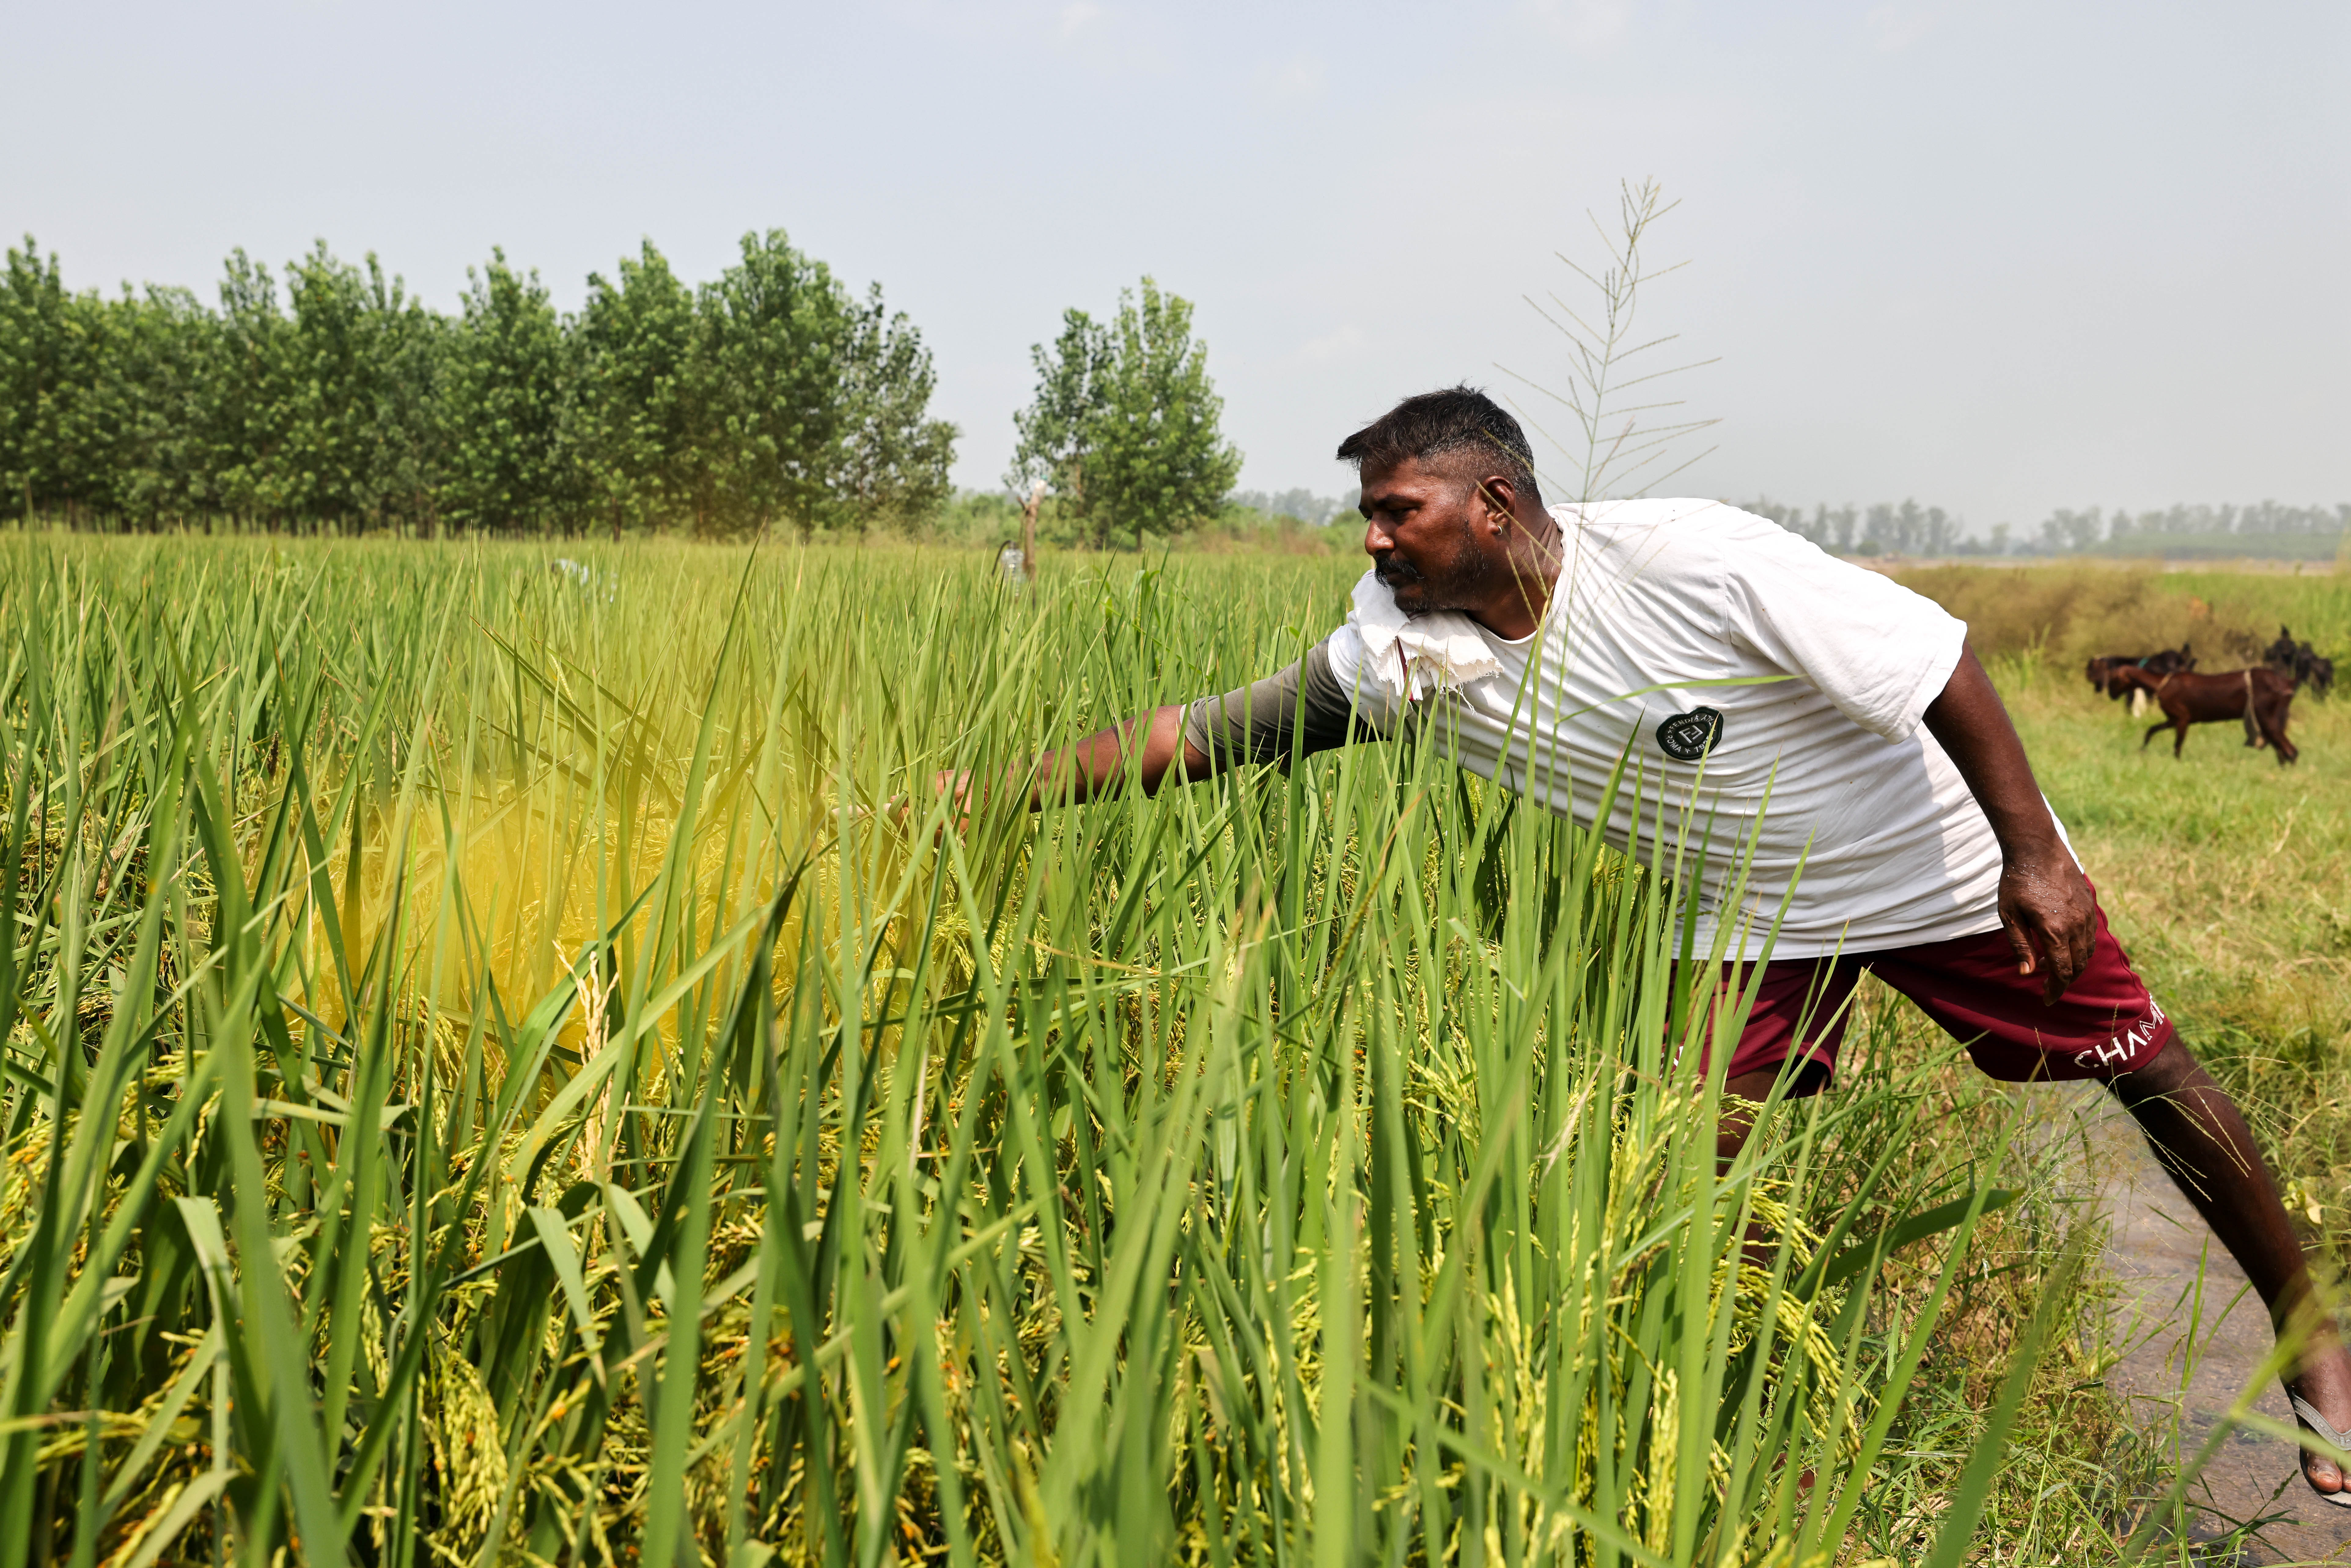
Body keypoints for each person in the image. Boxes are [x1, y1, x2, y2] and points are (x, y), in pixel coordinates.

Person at [950, 385, 2351, 1504]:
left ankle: (2318, 1351)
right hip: (1745, 913)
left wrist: (2035, 853)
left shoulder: (1690, 559)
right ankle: (1731, 1417)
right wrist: (977, 797)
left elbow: (1939, 659)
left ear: (1494, 502)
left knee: (2145, 1066)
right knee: (1707, 1157)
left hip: (1928, 860)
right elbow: (1199, 735)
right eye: (1365, 517)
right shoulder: (1405, 654)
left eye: (1397, 511)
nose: (1371, 541)